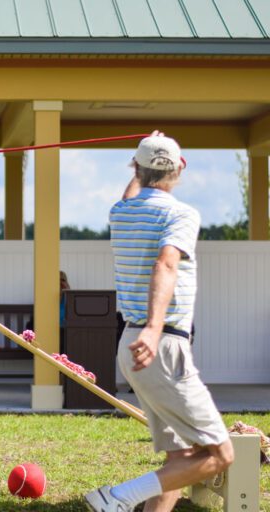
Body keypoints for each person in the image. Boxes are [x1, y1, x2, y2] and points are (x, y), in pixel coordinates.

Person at [84, 132, 233, 512]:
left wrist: (146, 149)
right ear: (181, 168)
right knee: (220, 454)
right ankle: (115, 498)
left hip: (132, 344)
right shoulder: (181, 214)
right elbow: (166, 264)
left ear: (136, 168)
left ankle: (125, 501)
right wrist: (153, 328)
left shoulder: (121, 212)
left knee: (181, 459)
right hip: (161, 343)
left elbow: (130, 193)